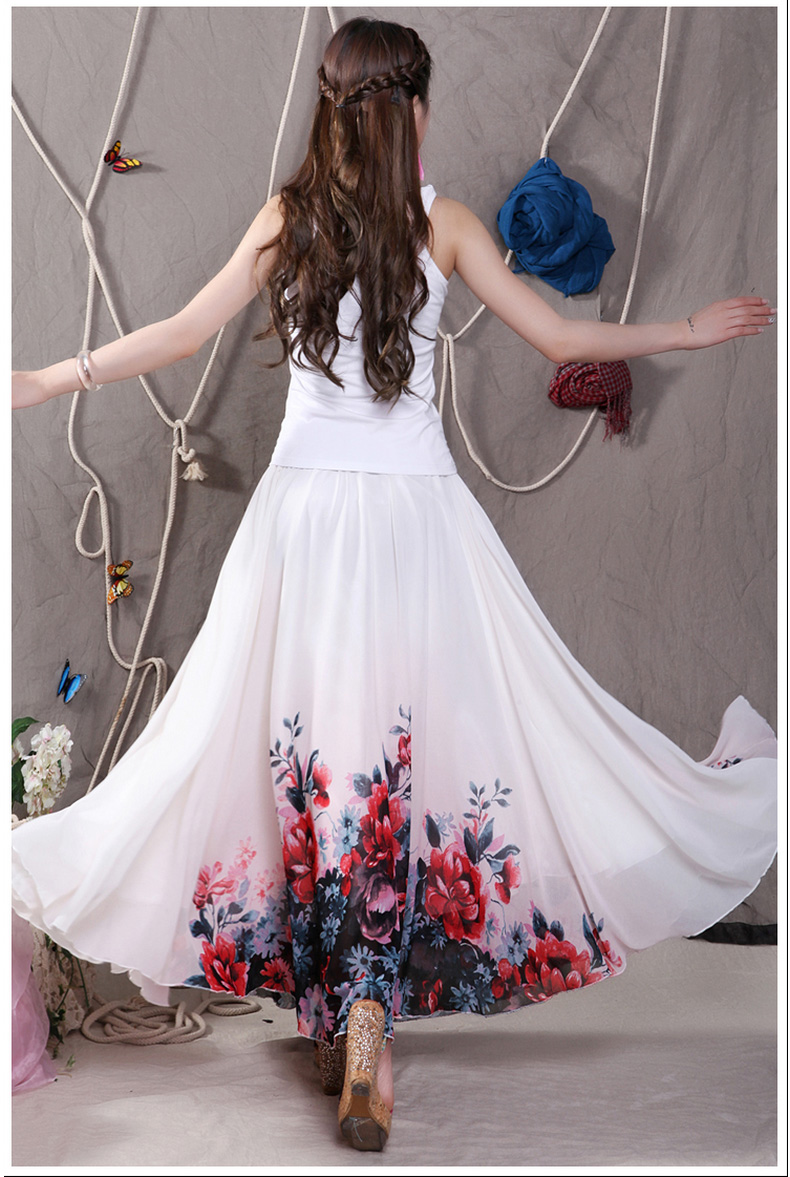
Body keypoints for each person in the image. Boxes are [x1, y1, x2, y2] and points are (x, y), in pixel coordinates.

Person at [11, 17, 777, 1154]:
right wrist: (685, 329)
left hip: (305, 529)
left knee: (313, 766)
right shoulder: (445, 224)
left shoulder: (289, 218)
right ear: (414, 109)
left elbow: (179, 333)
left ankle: (350, 1014)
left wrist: (48, 375)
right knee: (399, 764)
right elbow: (558, 335)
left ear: (331, 114)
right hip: (416, 527)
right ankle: (356, 1016)